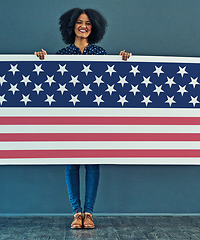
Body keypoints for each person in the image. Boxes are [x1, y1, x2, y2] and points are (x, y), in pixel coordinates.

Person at [35, 8, 131, 229]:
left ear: (94, 27)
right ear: (71, 26)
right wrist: (42, 61)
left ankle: (89, 213)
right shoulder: (62, 54)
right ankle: (76, 213)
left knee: (92, 164)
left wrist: (124, 61)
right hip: (69, 117)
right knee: (71, 164)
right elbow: (51, 81)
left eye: (88, 23)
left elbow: (111, 80)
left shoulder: (99, 53)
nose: (84, 26)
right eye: (79, 22)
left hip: (94, 117)